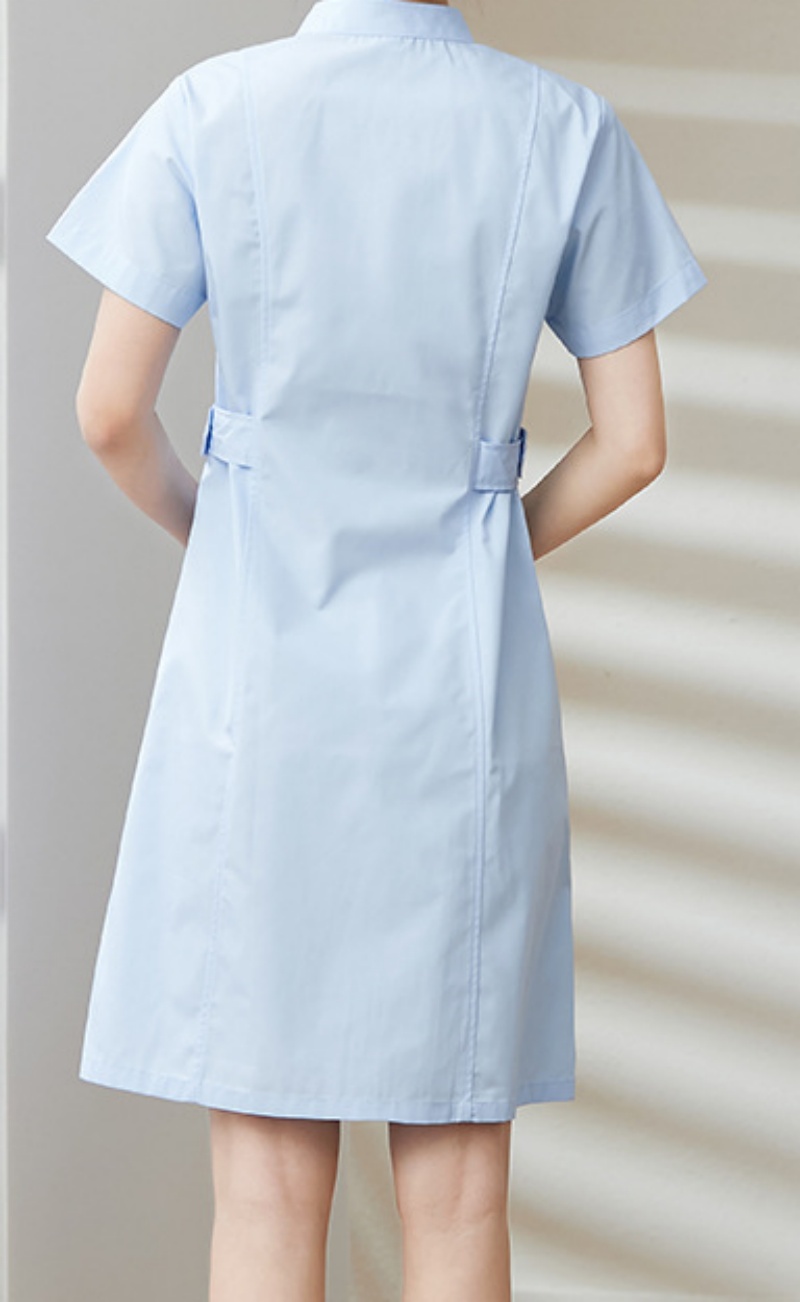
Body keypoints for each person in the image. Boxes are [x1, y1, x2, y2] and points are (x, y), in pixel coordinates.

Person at [45, 0, 708, 1298]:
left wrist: (222, 543)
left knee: (265, 1192)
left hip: (261, 697)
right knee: (456, 1200)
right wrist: (491, 551)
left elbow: (109, 411)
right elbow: (635, 442)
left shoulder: (215, 106)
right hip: (463, 698)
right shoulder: (562, 124)